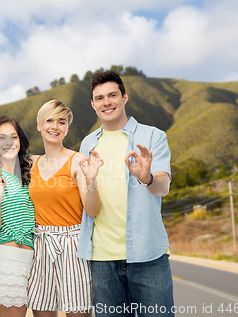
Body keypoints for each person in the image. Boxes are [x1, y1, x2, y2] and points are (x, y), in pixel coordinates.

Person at [78, 71, 174, 317]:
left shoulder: (152, 136)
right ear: (92, 104)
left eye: (112, 95)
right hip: (102, 260)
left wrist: (147, 177)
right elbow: (90, 205)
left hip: (148, 254)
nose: (106, 102)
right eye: (99, 98)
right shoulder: (88, 145)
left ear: (125, 97)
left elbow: (163, 186)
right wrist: (90, 182)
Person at [27, 100, 103, 317]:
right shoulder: (30, 163)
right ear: (39, 125)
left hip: (73, 245)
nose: (55, 126)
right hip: (41, 244)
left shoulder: (77, 160)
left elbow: (93, 210)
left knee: (78, 312)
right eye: (49, 120)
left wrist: (91, 181)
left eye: (61, 122)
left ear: (67, 128)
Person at [0, 117, 35, 317]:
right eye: (2, 138)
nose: (9, 142)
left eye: (14, 137)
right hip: (8, 263)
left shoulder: (29, 175)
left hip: (33, 264)